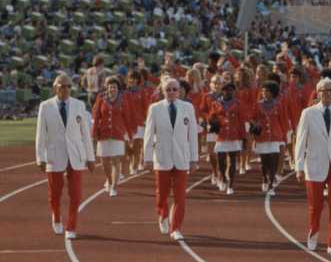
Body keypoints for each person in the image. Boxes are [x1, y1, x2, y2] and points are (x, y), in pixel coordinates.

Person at [295, 78, 331, 258]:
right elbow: (300, 141)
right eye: (324, 90)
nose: (328, 94)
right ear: (318, 92)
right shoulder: (308, 113)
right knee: (316, 206)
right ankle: (313, 233)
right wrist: (298, 166)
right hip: (314, 164)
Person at [35, 74, 95, 239]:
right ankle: (56, 216)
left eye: (69, 86)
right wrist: (40, 157)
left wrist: (91, 157)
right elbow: (41, 134)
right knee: (55, 193)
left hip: (76, 155)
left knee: (76, 194)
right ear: (55, 88)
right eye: (62, 86)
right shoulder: (45, 106)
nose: (66, 89)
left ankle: (71, 226)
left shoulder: (79, 105)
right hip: (55, 154)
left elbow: (85, 134)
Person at [143, 78, 199, 241]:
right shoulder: (155, 108)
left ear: (179, 90)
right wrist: (147, 158)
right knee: (162, 194)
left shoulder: (188, 107)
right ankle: (163, 214)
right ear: (162, 91)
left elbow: (193, 135)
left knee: (180, 196)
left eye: (175, 89)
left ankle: (176, 228)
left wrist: (194, 158)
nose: (172, 92)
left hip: (182, 157)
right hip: (162, 157)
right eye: (168, 90)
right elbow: (148, 134)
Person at [92, 76, 133, 197]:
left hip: (117, 133)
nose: (112, 89)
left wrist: (130, 134)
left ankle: (114, 186)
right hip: (103, 134)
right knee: (104, 161)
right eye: (110, 87)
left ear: (117, 88)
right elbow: (96, 116)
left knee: (115, 161)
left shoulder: (123, 100)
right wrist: (94, 133)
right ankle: (109, 181)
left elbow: (127, 117)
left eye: (114, 87)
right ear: (107, 88)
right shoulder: (101, 98)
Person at [250, 80, 287, 195]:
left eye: (266, 91)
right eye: (263, 91)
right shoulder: (258, 105)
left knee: (273, 161)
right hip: (262, 136)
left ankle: (271, 185)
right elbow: (252, 118)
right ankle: (264, 178)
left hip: (275, 136)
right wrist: (255, 125)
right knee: (264, 161)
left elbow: (283, 121)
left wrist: (283, 137)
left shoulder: (279, 105)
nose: (264, 93)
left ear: (272, 93)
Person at [211, 82, 248, 196]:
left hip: (234, 135)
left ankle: (231, 185)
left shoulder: (238, 104)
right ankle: (223, 177)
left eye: (231, 90)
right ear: (223, 91)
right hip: (221, 135)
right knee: (221, 160)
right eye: (227, 90)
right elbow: (212, 117)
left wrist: (244, 138)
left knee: (232, 161)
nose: (229, 92)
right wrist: (214, 123)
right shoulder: (216, 104)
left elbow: (242, 121)